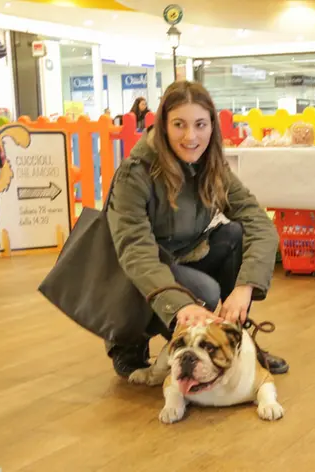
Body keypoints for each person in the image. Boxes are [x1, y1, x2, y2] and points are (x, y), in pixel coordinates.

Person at [106, 81, 288, 378]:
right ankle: (129, 341)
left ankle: (233, 343)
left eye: (200, 124)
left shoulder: (212, 166)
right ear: (163, 126)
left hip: (183, 256)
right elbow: (135, 251)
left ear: (211, 127)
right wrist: (180, 306)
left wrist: (245, 288)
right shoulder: (135, 173)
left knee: (235, 237)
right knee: (206, 290)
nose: (191, 136)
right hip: (135, 270)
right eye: (179, 124)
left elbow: (260, 224)